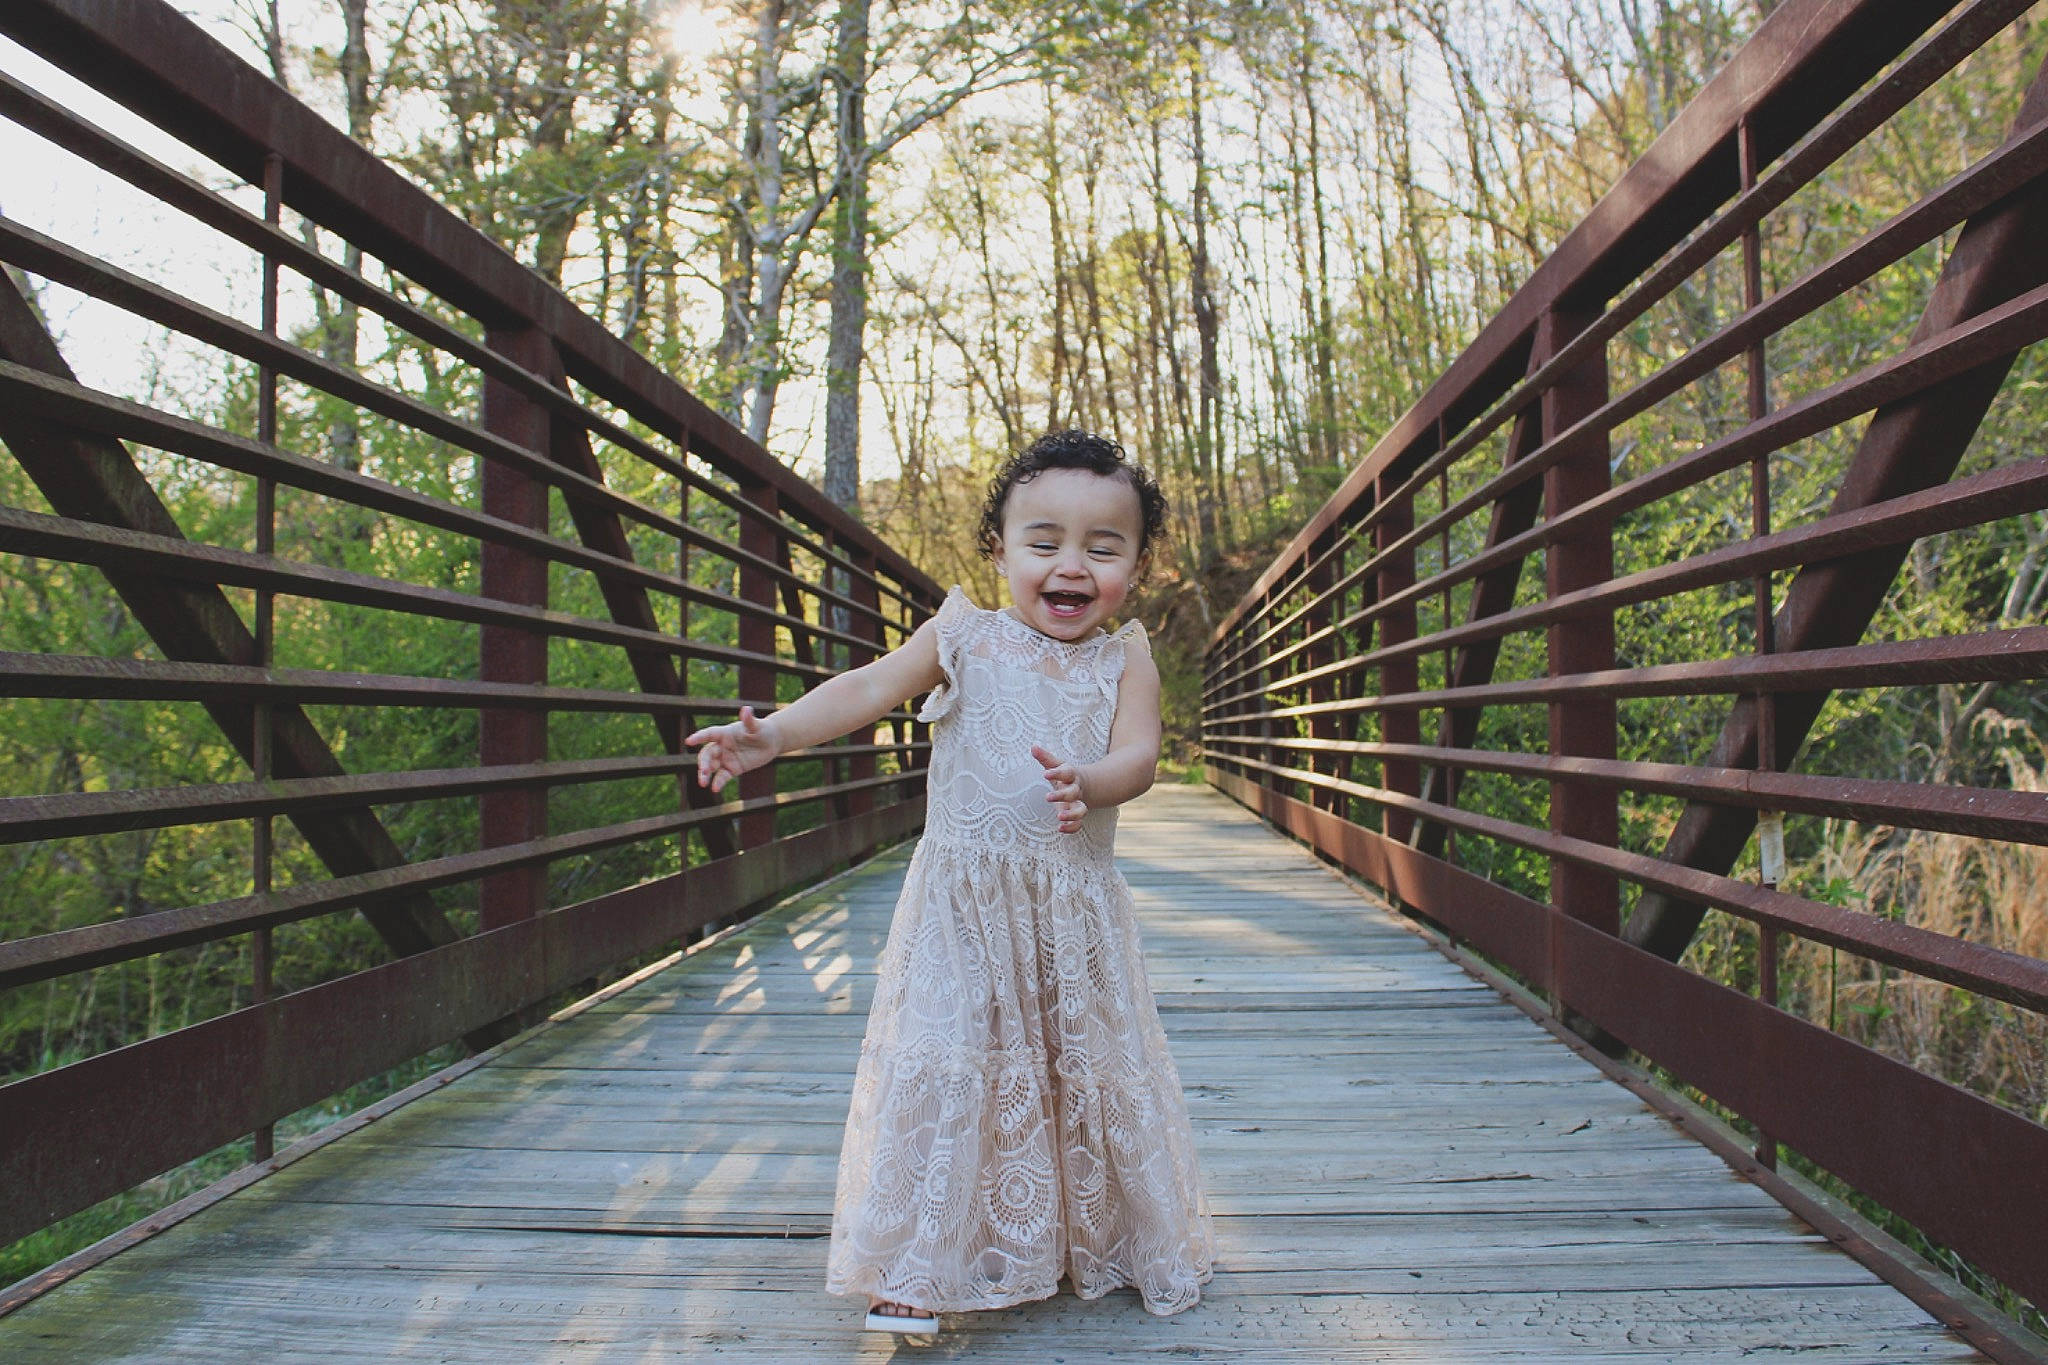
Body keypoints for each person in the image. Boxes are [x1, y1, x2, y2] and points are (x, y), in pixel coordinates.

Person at [687, 429, 1214, 1336]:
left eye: (1104, 546)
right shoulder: (961, 634)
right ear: (1000, 550)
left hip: (1068, 912)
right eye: (1044, 542)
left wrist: (1091, 782)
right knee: (953, 1061)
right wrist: (773, 734)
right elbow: (865, 687)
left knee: (1070, 1067)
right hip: (962, 908)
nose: (1072, 565)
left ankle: (1076, 1234)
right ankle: (920, 1264)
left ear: (1138, 563)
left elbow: (1141, 754)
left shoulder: (1126, 656)